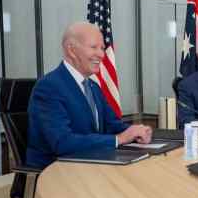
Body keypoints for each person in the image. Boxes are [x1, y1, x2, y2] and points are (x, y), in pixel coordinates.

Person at [26, 22, 152, 170]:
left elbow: (112, 124)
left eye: (102, 48)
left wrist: (137, 132)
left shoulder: (93, 87)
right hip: (56, 173)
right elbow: (62, 142)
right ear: (71, 50)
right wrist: (119, 139)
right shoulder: (49, 87)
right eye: (94, 47)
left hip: (91, 165)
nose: (101, 54)